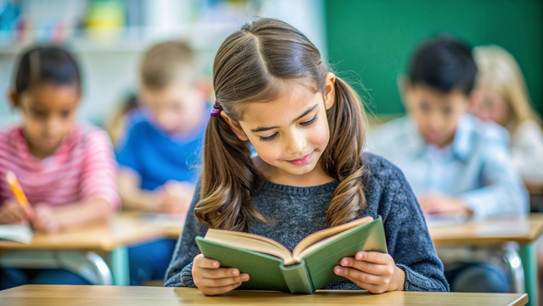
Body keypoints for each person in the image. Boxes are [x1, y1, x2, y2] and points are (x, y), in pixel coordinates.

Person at [164, 18, 448, 295]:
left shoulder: (382, 181)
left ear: (327, 93)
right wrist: (197, 278)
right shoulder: (222, 187)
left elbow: (437, 288)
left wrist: (396, 279)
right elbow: (173, 286)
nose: (296, 146)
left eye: (306, 121)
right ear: (236, 127)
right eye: (269, 135)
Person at [367, 36, 528, 292]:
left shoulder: (486, 139)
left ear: (470, 101)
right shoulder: (381, 145)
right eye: (424, 106)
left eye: (447, 110)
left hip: (470, 263)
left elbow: (514, 199)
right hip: (405, 271)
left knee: (485, 286)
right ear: (406, 90)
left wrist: (461, 204)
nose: (435, 122)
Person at [0, 45, 119, 289]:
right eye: (39, 113)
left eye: (65, 113)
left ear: (78, 101)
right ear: (14, 100)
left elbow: (103, 204)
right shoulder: (3, 145)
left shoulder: (90, 142)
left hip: (71, 262)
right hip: (10, 261)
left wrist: (58, 218)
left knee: (47, 293)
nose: (52, 127)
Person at [115, 40, 209, 285]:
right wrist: (157, 201)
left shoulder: (222, 126)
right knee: (128, 260)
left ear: (201, 90)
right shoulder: (137, 126)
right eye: (153, 107)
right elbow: (122, 191)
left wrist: (194, 198)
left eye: (176, 106)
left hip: (204, 236)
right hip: (150, 236)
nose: (164, 119)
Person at [471, 45, 543, 182]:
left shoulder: (524, 130)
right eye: (473, 103)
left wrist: (496, 164)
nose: (480, 113)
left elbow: (540, 167)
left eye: (489, 104)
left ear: (510, 103)